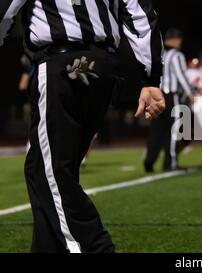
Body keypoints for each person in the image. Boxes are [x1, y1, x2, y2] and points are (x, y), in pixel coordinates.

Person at [1, 0, 164, 253]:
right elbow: (141, 15)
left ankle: (93, 247)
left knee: (50, 172)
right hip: (104, 67)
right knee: (44, 167)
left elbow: (5, 11)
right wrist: (150, 78)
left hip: (61, 62)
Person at [144, 28, 193, 172]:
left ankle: (149, 161)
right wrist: (190, 93)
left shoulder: (160, 53)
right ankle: (170, 163)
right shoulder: (176, 55)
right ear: (176, 40)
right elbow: (181, 75)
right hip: (172, 95)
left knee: (157, 130)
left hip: (158, 95)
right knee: (174, 129)